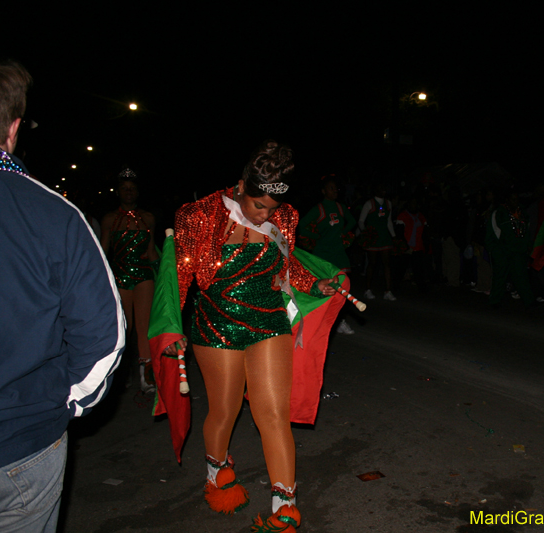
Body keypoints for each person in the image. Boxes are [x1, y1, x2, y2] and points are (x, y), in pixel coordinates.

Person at [168, 141, 337, 531]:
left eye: (271, 209)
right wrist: (171, 325)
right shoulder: (198, 214)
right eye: (259, 206)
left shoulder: (287, 217)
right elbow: (180, 274)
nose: (265, 216)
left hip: (269, 319)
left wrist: (316, 284)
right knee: (224, 411)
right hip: (217, 323)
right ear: (242, 186)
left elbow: (288, 266)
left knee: (274, 414)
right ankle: (218, 474)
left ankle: (285, 505)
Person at [0, 57, 125, 533]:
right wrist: (57, 404)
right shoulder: (53, 213)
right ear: (14, 129)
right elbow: (103, 335)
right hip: (19, 445)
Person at [101, 169, 159, 392]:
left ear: (138, 192)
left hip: (144, 276)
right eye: (124, 188)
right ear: (118, 192)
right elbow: (104, 252)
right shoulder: (109, 219)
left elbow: (151, 251)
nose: (128, 192)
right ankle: (121, 373)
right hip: (120, 275)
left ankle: (146, 375)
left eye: (132, 189)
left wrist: (165, 275)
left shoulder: (148, 218)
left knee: (145, 326)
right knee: (123, 327)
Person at [299, 176, 356, 334]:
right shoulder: (319, 209)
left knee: (343, 285)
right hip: (322, 255)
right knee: (326, 289)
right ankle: (320, 320)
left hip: (339, 253)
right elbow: (301, 226)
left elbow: (352, 221)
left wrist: (343, 233)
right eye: (331, 188)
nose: (335, 191)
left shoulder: (340, 207)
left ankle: (340, 320)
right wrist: (316, 237)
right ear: (324, 191)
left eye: (335, 188)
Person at [359, 183, 397, 300]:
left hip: (384, 237)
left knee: (387, 264)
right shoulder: (369, 203)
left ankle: (388, 291)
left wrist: (394, 236)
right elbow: (361, 221)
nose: (383, 190)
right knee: (372, 263)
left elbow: (388, 221)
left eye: (384, 188)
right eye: (381, 188)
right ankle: (368, 289)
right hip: (373, 238)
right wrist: (366, 234)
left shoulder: (388, 203)